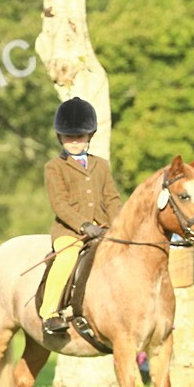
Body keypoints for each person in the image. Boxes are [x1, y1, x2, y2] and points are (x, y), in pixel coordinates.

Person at [39, 96, 123, 335]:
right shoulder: (54, 167)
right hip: (70, 231)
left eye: (80, 136)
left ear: (89, 136)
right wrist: (84, 225)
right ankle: (50, 313)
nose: (75, 142)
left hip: (103, 228)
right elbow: (60, 204)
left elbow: (112, 198)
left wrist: (118, 224)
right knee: (66, 258)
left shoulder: (102, 165)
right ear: (60, 138)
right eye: (69, 137)